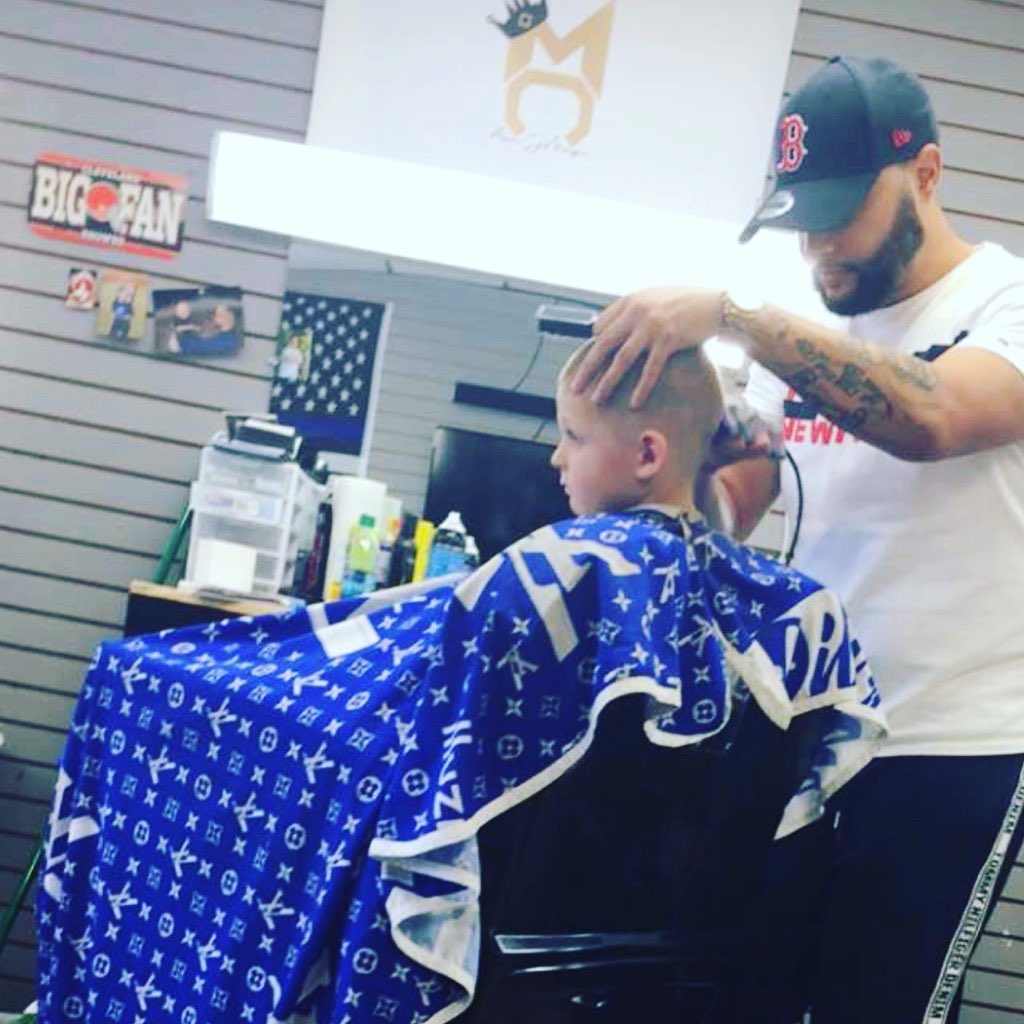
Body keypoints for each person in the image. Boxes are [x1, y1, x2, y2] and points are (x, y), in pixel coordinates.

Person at [571, 55, 1024, 1023]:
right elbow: (741, 500)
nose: (820, 249)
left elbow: (933, 416)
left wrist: (734, 316)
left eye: (840, 216)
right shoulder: (811, 333)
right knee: (743, 997)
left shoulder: (1005, 307)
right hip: (814, 728)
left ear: (926, 175)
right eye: (803, 223)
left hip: (954, 747)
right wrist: (661, 479)